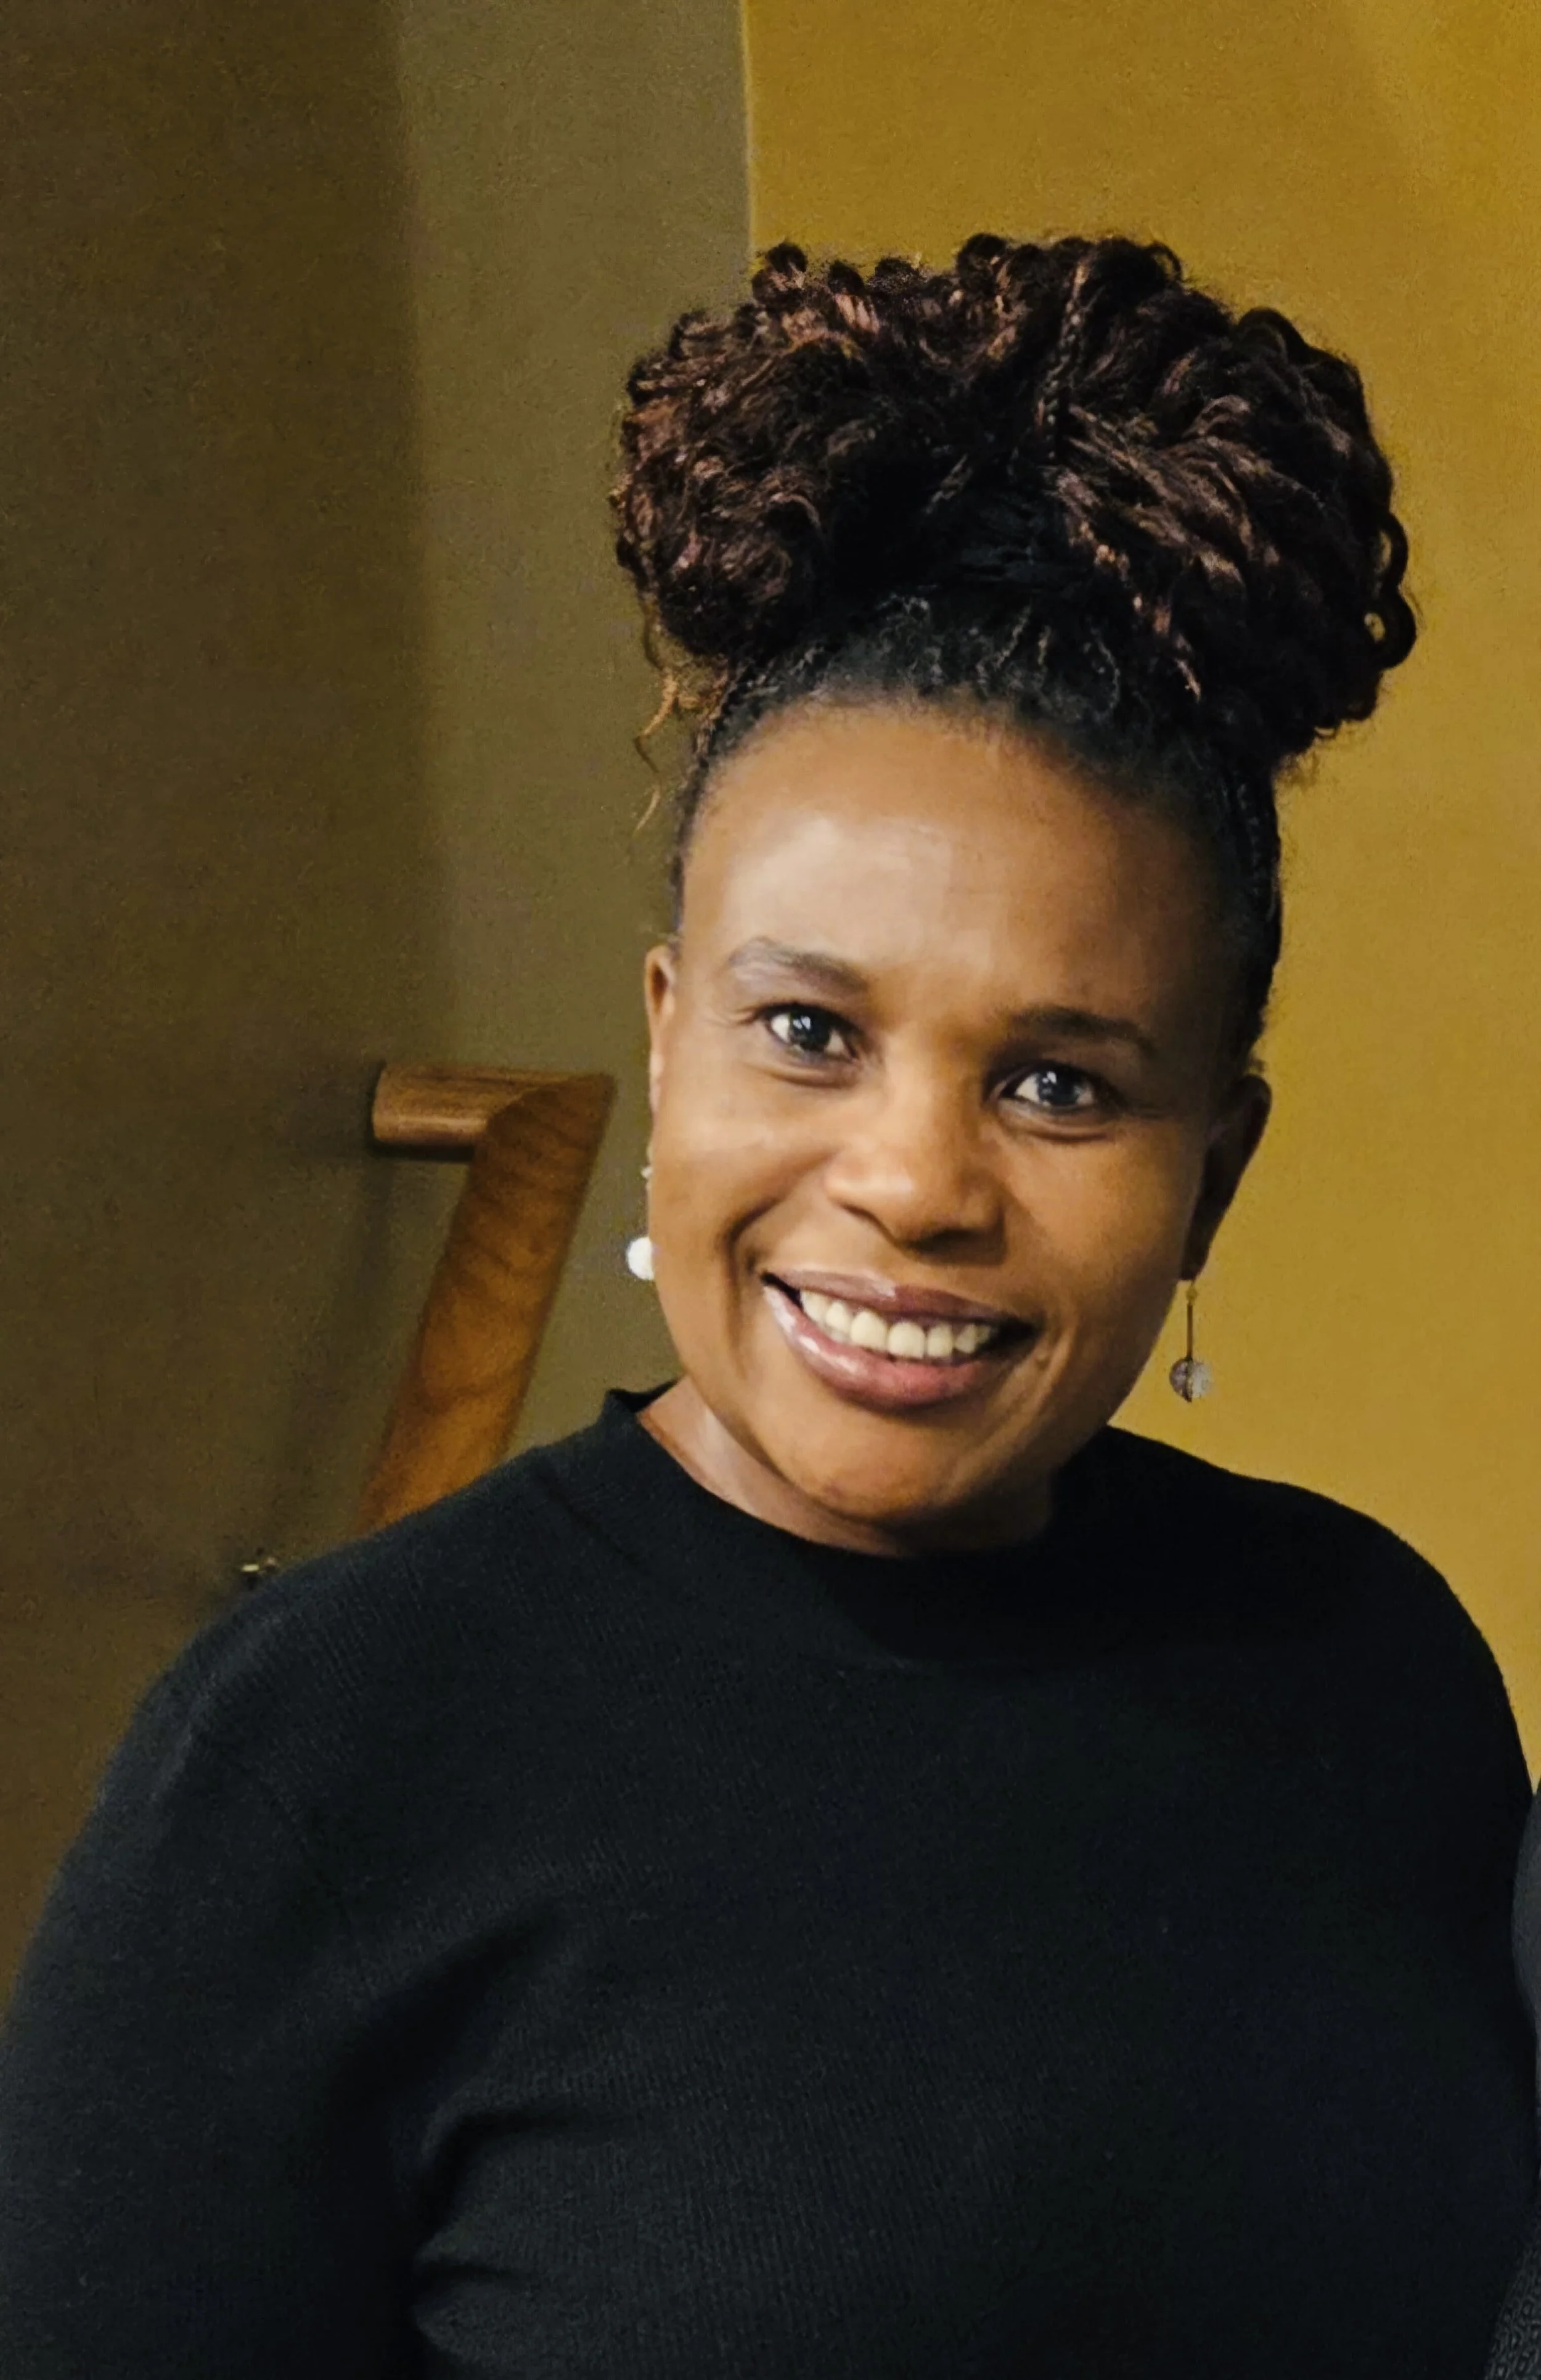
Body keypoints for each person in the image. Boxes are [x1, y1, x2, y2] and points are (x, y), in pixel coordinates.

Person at [0, 233, 1531, 2379]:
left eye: (1058, 1083)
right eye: (807, 1031)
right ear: (668, 1044)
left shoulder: (1371, 1672)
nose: (910, 1183)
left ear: (1214, 1168)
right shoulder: (315, 1765)